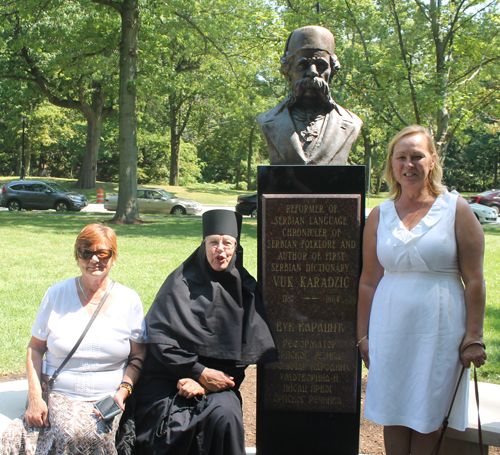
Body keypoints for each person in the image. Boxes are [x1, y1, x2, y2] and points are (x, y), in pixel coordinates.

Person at [357, 125, 487, 455]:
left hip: (439, 330)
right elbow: (369, 280)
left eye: (417, 156)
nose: (409, 164)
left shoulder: (455, 209)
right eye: (401, 157)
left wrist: (473, 335)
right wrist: (363, 336)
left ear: (433, 160)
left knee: (428, 415)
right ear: (392, 164)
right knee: (393, 412)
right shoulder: (379, 215)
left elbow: (474, 279)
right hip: (390, 329)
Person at [131, 210, 277, 455]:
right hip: (169, 377)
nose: (220, 249)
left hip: (219, 381)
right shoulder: (179, 283)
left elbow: (247, 350)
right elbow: (158, 340)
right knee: (169, 425)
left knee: (225, 416)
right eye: (213, 242)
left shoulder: (247, 290)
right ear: (204, 246)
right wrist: (196, 372)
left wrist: (207, 384)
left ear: (236, 248)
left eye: (227, 243)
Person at [0, 223, 146, 455]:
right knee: (31, 437)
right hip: (60, 394)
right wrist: (35, 397)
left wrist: (123, 391)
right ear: (77, 257)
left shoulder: (129, 300)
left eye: (103, 253)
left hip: (107, 398)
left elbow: (138, 354)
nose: (94, 259)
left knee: (85, 434)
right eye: (85, 252)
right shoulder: (56, 294)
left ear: (114, 257)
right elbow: (35, 349)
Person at [257, 25, 362, 166]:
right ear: (287, 71)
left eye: (321, 65)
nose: (312, 72)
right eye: (302, 65)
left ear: (332, 72)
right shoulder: (267, 120)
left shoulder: (351, 122)